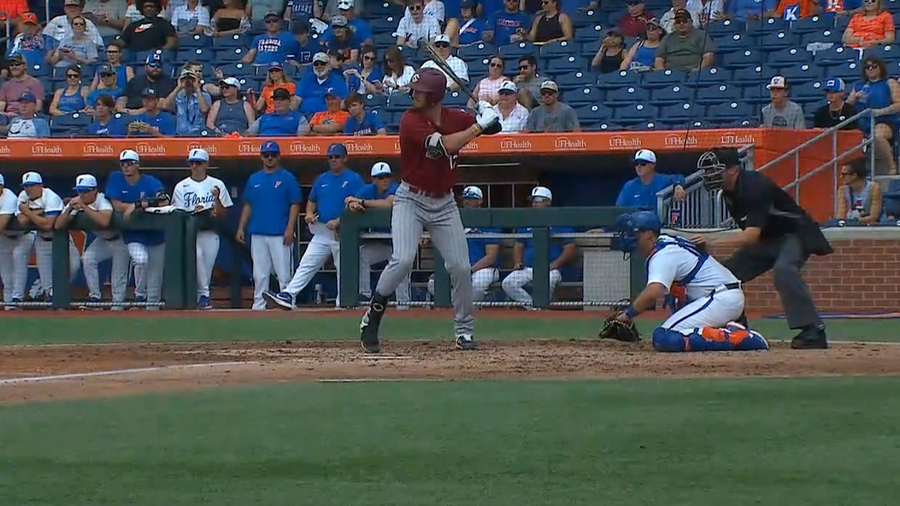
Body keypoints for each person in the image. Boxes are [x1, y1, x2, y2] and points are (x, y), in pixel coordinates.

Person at [358, 68, 501, 353]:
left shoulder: (456, 117)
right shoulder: (410, 120)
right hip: (410, 199)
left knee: (461, 267)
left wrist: (488, 112)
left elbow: (494, 128)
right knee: (402, 260)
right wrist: (478, 127)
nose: (414, 94)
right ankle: (372, 316)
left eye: (420, 91)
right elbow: (442, 147)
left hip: (444, 203)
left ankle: (464, 331)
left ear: (434, 95)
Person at [693, 148, 832, 349]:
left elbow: (751, 235)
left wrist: (712, 240)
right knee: (724, 275)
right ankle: (737, 326)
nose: (709, 175)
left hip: (795, 234)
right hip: (767, 239)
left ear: (732, 170)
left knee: (784, 270)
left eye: (714, 170)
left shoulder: (755, 186)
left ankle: (814, 330)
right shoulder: (729, 192)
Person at [609, 211, 769, 352]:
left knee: (665, 337)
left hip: (720, 299)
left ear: (649, 235)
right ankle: (727, 328)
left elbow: (654, 290)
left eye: (634, 232)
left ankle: (739, 337)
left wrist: (627, 314)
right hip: (719, 297)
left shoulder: (662, 255)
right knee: (676, 309)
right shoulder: (666, 242)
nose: (629, 237)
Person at [264, 143, 365, 309]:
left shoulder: (354, 179)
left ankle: (344, 303)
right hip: (322, 230)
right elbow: (312, 200)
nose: (333, 160)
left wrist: (339, 221)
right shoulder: (322, 179)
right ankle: (288, 294)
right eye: (331, 157)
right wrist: (309, 214)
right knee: (307, 263)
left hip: (343, 232)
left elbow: (359, 205)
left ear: (345, 158)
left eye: (337, 157)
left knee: (344, 270)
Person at [236, 141, 302, 310]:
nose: (270, 158)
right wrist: (241, 228)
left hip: (280, 232)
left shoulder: (287, 178)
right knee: (259, 273)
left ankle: (288, 302)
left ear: (279, 156)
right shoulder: (254, 178)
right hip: (258, 231)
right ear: (261, 157)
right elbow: (248, 204)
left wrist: (290, 228)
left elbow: (295, 203)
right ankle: (259, 304)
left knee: (284, 273)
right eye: (266, 155)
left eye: (273, 155)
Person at [106, 149, 169, 309]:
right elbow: (116, 205)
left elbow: (164, 201)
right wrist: (138, 206)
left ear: (137, 165)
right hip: (132, 234)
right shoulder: (116, 178)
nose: (125, 167)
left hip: (156, 234)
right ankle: (140, 294)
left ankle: (152, 309)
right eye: (123, 164)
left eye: (129, 163)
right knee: (141, 260)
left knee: (155, 276)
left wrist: (137, 205)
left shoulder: (150, 181)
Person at [55, 174, 129, 310]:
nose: (82, 194)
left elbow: (104, 221)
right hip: (103, 241)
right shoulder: (77, 201)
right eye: (80, 191)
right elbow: (58, 225)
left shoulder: (102, 200)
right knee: (88, 259)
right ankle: (95, 298)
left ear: (95, 190)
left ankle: (117, 307)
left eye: (86, 191)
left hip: (120, 240)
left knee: (118, 276)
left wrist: (84, 207)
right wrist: (70, 208)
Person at [171, 149, 233, 309]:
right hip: (191, 234)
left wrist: (217, 199)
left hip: (211, 232)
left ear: (206, 164)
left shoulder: (217, 184)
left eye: (198, 163)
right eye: (192, 163)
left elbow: (223, 215)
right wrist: (193, 211)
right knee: (196, 258)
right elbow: (177, 213)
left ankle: (201, 299)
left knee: (206, 268)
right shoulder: (181, 186)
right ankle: (204, 295)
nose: (194, 166)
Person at [345, 162, 410, 306]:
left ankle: (403, 303)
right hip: (381, 243)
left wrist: (362, 202)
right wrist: (352, 204)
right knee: (362, 254)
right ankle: (365, 294)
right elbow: (350, 200)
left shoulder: (395, 188)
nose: (385, 180)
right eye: (380, 177)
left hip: (400, 243)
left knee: (402, 267)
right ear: (373, 179)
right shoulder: (368, 190)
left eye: (387, 176)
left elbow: (389, 203)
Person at [501, 186, 577, 308]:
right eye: (533, 200)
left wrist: (556, 264)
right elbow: (519, 245)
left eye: (538, 200)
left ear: (548, 202)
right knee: (508, 283)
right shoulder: (527, 221)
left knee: (549, 282)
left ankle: (541, 308)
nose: (535, 203)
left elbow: (570, 247)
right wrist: (518, 262)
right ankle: (534, 308)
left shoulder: (558, 221)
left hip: (550, 269)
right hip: (528, 268)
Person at [426, 186, 501, 303]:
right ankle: (457, 305)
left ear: (480, 201)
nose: (466, 202)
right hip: (460, 267)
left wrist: (470, 270)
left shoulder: (488, 221)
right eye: (465, 199)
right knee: (433, 283)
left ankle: (468, 308)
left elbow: (491, 257)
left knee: (477, 285)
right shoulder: (456, 220)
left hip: (484, 269)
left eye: (471, 199)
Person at [15, 172, 81, 302]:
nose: (28, 189)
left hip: (61, 240)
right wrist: (40, 213)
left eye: (32, 185)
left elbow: (48, 225)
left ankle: (41, 287)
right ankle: (50, 297)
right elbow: (22, 221)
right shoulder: (23, 196)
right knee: (48, 284)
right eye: (26, 186)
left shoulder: (51, 197)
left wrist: (27, 211)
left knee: (74, 267)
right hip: (42, 241)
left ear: (40, 185)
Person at [847, 56, 900, 175]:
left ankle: (892, 166)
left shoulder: (889, 82)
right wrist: (855, 98)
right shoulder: (859, 86)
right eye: (867, 67)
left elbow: (898, 104)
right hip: (863, 122)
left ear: (880, 67)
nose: (870, 69)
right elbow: (847, 107)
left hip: (885, 121)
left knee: (877, 135)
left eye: (874, 66)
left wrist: (881, 111)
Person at [616, 149, 686, 210]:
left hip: (655, 221)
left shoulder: (662, 180)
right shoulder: (629, 185)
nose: (639, 167)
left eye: (643, 164)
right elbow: (619, 209)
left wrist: (678, 185)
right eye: (636, 164)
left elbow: (678, 177)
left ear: (653, 165)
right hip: (633, 220)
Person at [163, 68, 211, 135]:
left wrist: (197, 88)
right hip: (181, 135)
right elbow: (165, 106)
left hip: (199, 134)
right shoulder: (179, 96)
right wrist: (178, 87)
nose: (188, 82)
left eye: (191, 79)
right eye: (185, 79)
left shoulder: (204, 95)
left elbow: (204, 109)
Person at [835, 158, 882, 223]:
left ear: (854, 175)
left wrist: (855, 221)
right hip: (852, 221)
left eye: (844, 175)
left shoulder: (873, 188)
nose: (841, 177)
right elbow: (840, 215)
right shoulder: (843, 190)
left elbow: (873, 217)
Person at [0, 173, 22, 307]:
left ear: (1, 186)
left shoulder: (9, 197)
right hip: (5, 237)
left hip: (24, 236)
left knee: (19, 264)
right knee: (7, 278)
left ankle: (17, 301)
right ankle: (9, 307)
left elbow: (1, 224)